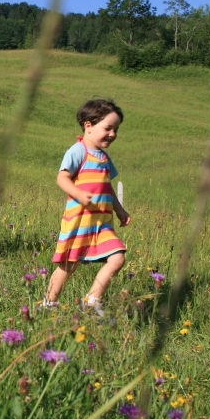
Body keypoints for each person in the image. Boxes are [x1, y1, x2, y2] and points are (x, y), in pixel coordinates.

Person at [44, 99, 130, 315]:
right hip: (79, 222)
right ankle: (49, 303)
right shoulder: (78, 151)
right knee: (68, 266)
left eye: (116, 129)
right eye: (108, 128)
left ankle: (92, 299)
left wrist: (119, 209)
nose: (112, 134)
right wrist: (79, 194)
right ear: (88, 125)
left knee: (117, 257)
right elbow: (62, 178)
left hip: (102, 224)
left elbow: (107, 186)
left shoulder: (104, 158)